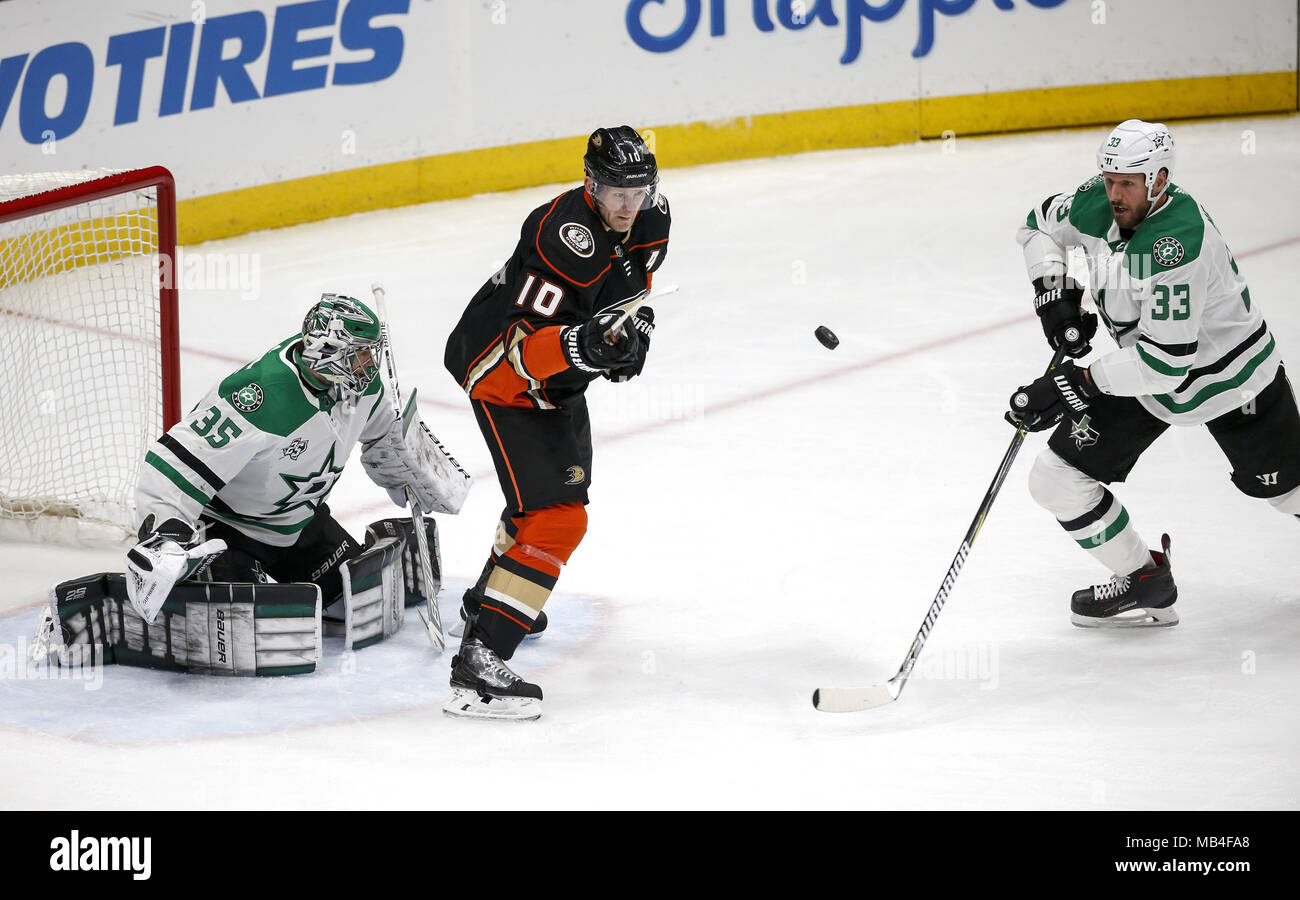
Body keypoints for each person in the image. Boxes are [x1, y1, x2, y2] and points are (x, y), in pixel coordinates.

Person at [1006, 119, 1299, 628]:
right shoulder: (1098, 202)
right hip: (1141, 373)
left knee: (1288, 492)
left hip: (1230, 382)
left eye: (1128, 182)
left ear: (1160, 180)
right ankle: (1146, 581)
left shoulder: (1177, 244)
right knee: (1055, 480)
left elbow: (1166, 363)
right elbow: (1035, 224)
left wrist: (1077, 382)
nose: (1114, 193)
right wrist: (1051, 292)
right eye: (1109, 178)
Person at [442, 125, 671, 719]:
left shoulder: (652, 216)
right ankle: (479, 666)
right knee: (557, 520)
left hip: (561, 381)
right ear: (591, 185)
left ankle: (488, 600)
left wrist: (630, 336)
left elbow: (634, 289)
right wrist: (583, 347)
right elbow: (522, 347)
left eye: (639, 189)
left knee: (546, 499)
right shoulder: (560, 238)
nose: (629, 203)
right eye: (616, 191)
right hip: (504, 374)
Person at [121, 293, 468, 665]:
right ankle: (158, 594)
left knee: (362, 603)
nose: (370, 365)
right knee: (243, 627)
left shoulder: (358, 384)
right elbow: (171, 466)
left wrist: (413, 470)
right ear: (328, 350)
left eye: (371, 353)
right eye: (361, 354)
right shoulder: (261, 397)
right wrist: (165, 537)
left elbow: (385, 436)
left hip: (298, 526)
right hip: (227, 531)